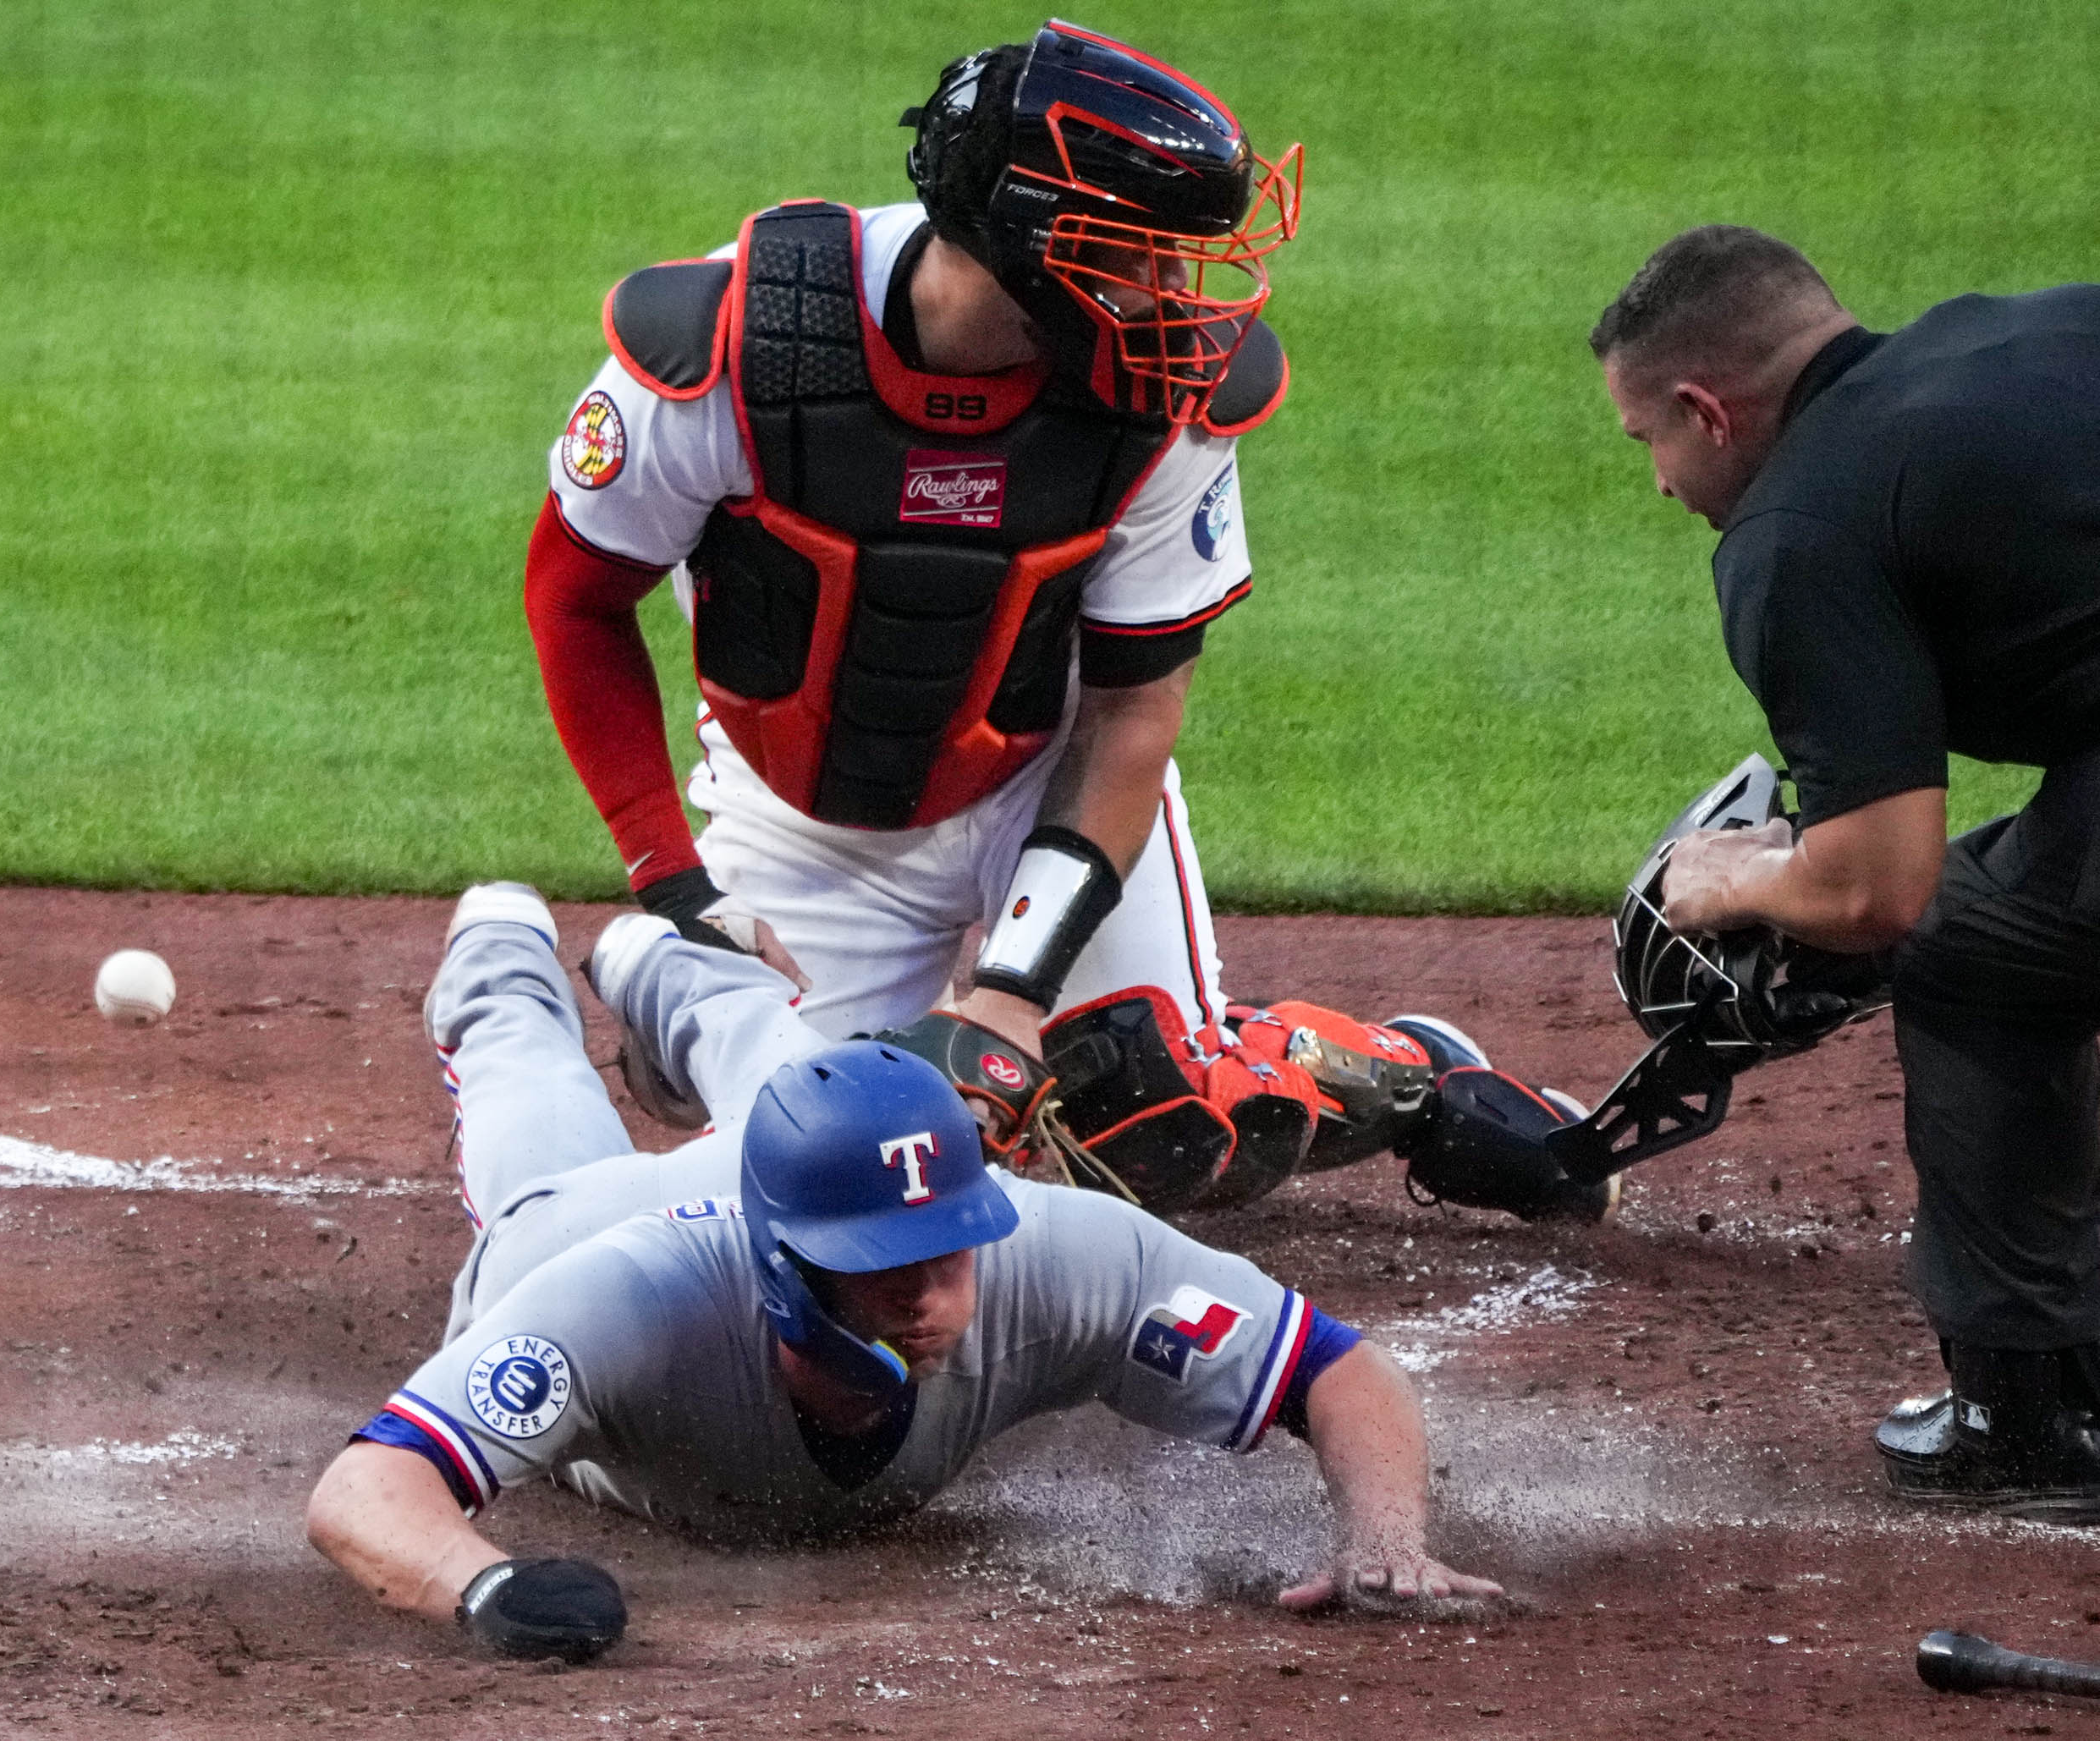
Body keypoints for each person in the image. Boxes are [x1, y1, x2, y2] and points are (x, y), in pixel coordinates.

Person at [304, 886, 1501, 1659]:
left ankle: (656, 955)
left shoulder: (1044, 1251)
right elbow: (370, 1486)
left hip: (771, 1168)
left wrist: (1382, 1536)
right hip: (573, 1223)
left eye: (947, 1250)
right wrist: (485, 1587)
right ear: (788, 1268)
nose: (933, 1295)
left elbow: (1331, 1368)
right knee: (526, 1089)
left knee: (797, 1074)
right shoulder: (611, 1299)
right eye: (885, 1271)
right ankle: (502, 937)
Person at [523, 21, 1302, 1063]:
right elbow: (575, 596)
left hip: (1048, 783)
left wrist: (1016, 992)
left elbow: (1133, 709)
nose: (1172, 292)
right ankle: (677, 978)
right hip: (808, 824)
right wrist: (674, 885)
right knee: (807, 1159)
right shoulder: (739, 348)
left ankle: (1378, 1077)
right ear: (1032, 239)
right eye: (1142, 250)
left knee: (1152, 1120)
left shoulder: (1162, 387)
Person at [1589, 225, 2100, 1517]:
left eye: (1647, 437)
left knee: (1974, 952)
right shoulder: (2019, 325)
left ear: (1706, 410)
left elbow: (1878, 891)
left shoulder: (1797, 526)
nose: (1655, 481)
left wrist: (1736, 880)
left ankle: (2024, 1414)